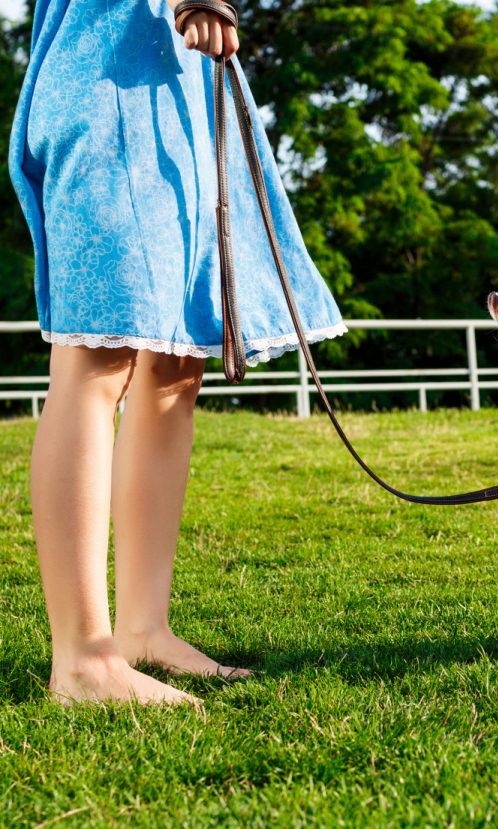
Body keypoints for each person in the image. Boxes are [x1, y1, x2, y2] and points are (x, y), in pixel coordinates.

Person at [8, 0, 347, 705]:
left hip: (185, 84)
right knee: (99, 352)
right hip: (104, 74)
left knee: (174, 367)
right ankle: (82, 656)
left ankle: (141, 629)